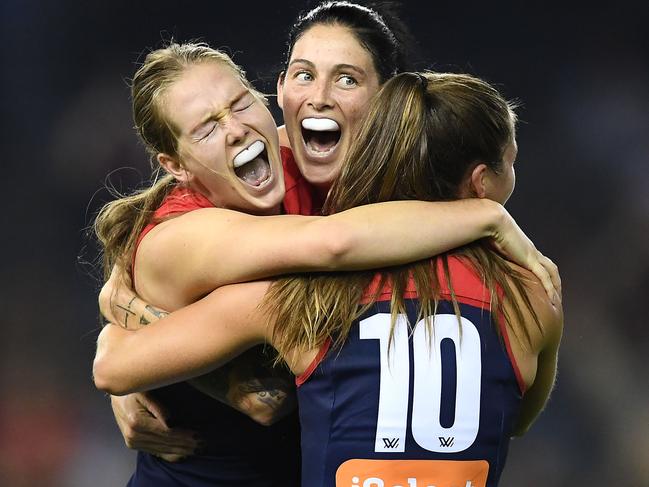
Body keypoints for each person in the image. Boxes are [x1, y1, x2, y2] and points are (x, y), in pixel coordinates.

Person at [104, 1, 560, 470]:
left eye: (347, 79)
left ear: (390, 101)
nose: (318, 98)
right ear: (281, 88)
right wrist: (487, 216)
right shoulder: (196, 226)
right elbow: (331, 244)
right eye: (304, 75)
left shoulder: (371, 191)